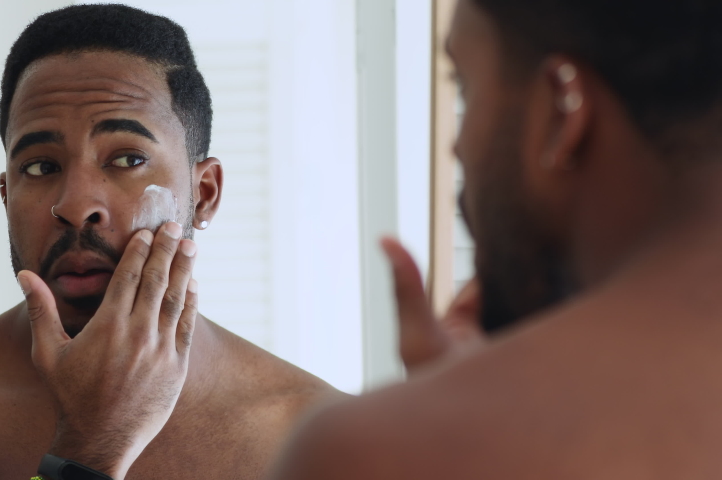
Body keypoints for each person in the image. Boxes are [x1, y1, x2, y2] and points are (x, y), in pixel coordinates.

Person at [0, 5, 340, 479]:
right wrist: (91, 447)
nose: (75, 204)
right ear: (6, 196)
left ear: (204, 194)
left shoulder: (322, 440)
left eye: (127, 159)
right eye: (40, 167)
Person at [272, 0, 722, 478]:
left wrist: (447, 428)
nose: (457, 146)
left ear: (562, 112)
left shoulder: (372, 452)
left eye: (465, 87)